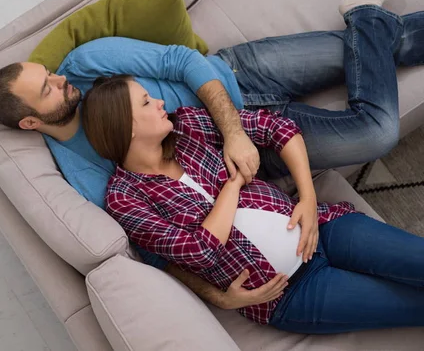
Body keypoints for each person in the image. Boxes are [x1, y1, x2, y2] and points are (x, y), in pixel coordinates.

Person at [0, 0, 424, 311]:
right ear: (30, 122)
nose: (60, 79)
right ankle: (367, 15)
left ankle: (365, 13)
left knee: (390, 46)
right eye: (47, 88)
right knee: (376, 131)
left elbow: (181, 60)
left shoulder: (85, 62)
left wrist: (233, 129)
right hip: (234, 154)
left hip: (234, 77)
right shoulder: (85, 173)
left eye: (48, 74)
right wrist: (219, 297)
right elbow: (157, 243)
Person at [81, 73, 424, 332]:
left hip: (323, 227)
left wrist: (306, 197)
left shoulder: (188, 126)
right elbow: (200, 250)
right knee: (412, 307)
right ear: (125, 127)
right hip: (290, 295)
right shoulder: (124, 200)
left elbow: (278, 128)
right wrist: (233, 185)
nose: (159, 102)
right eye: (145, 102)